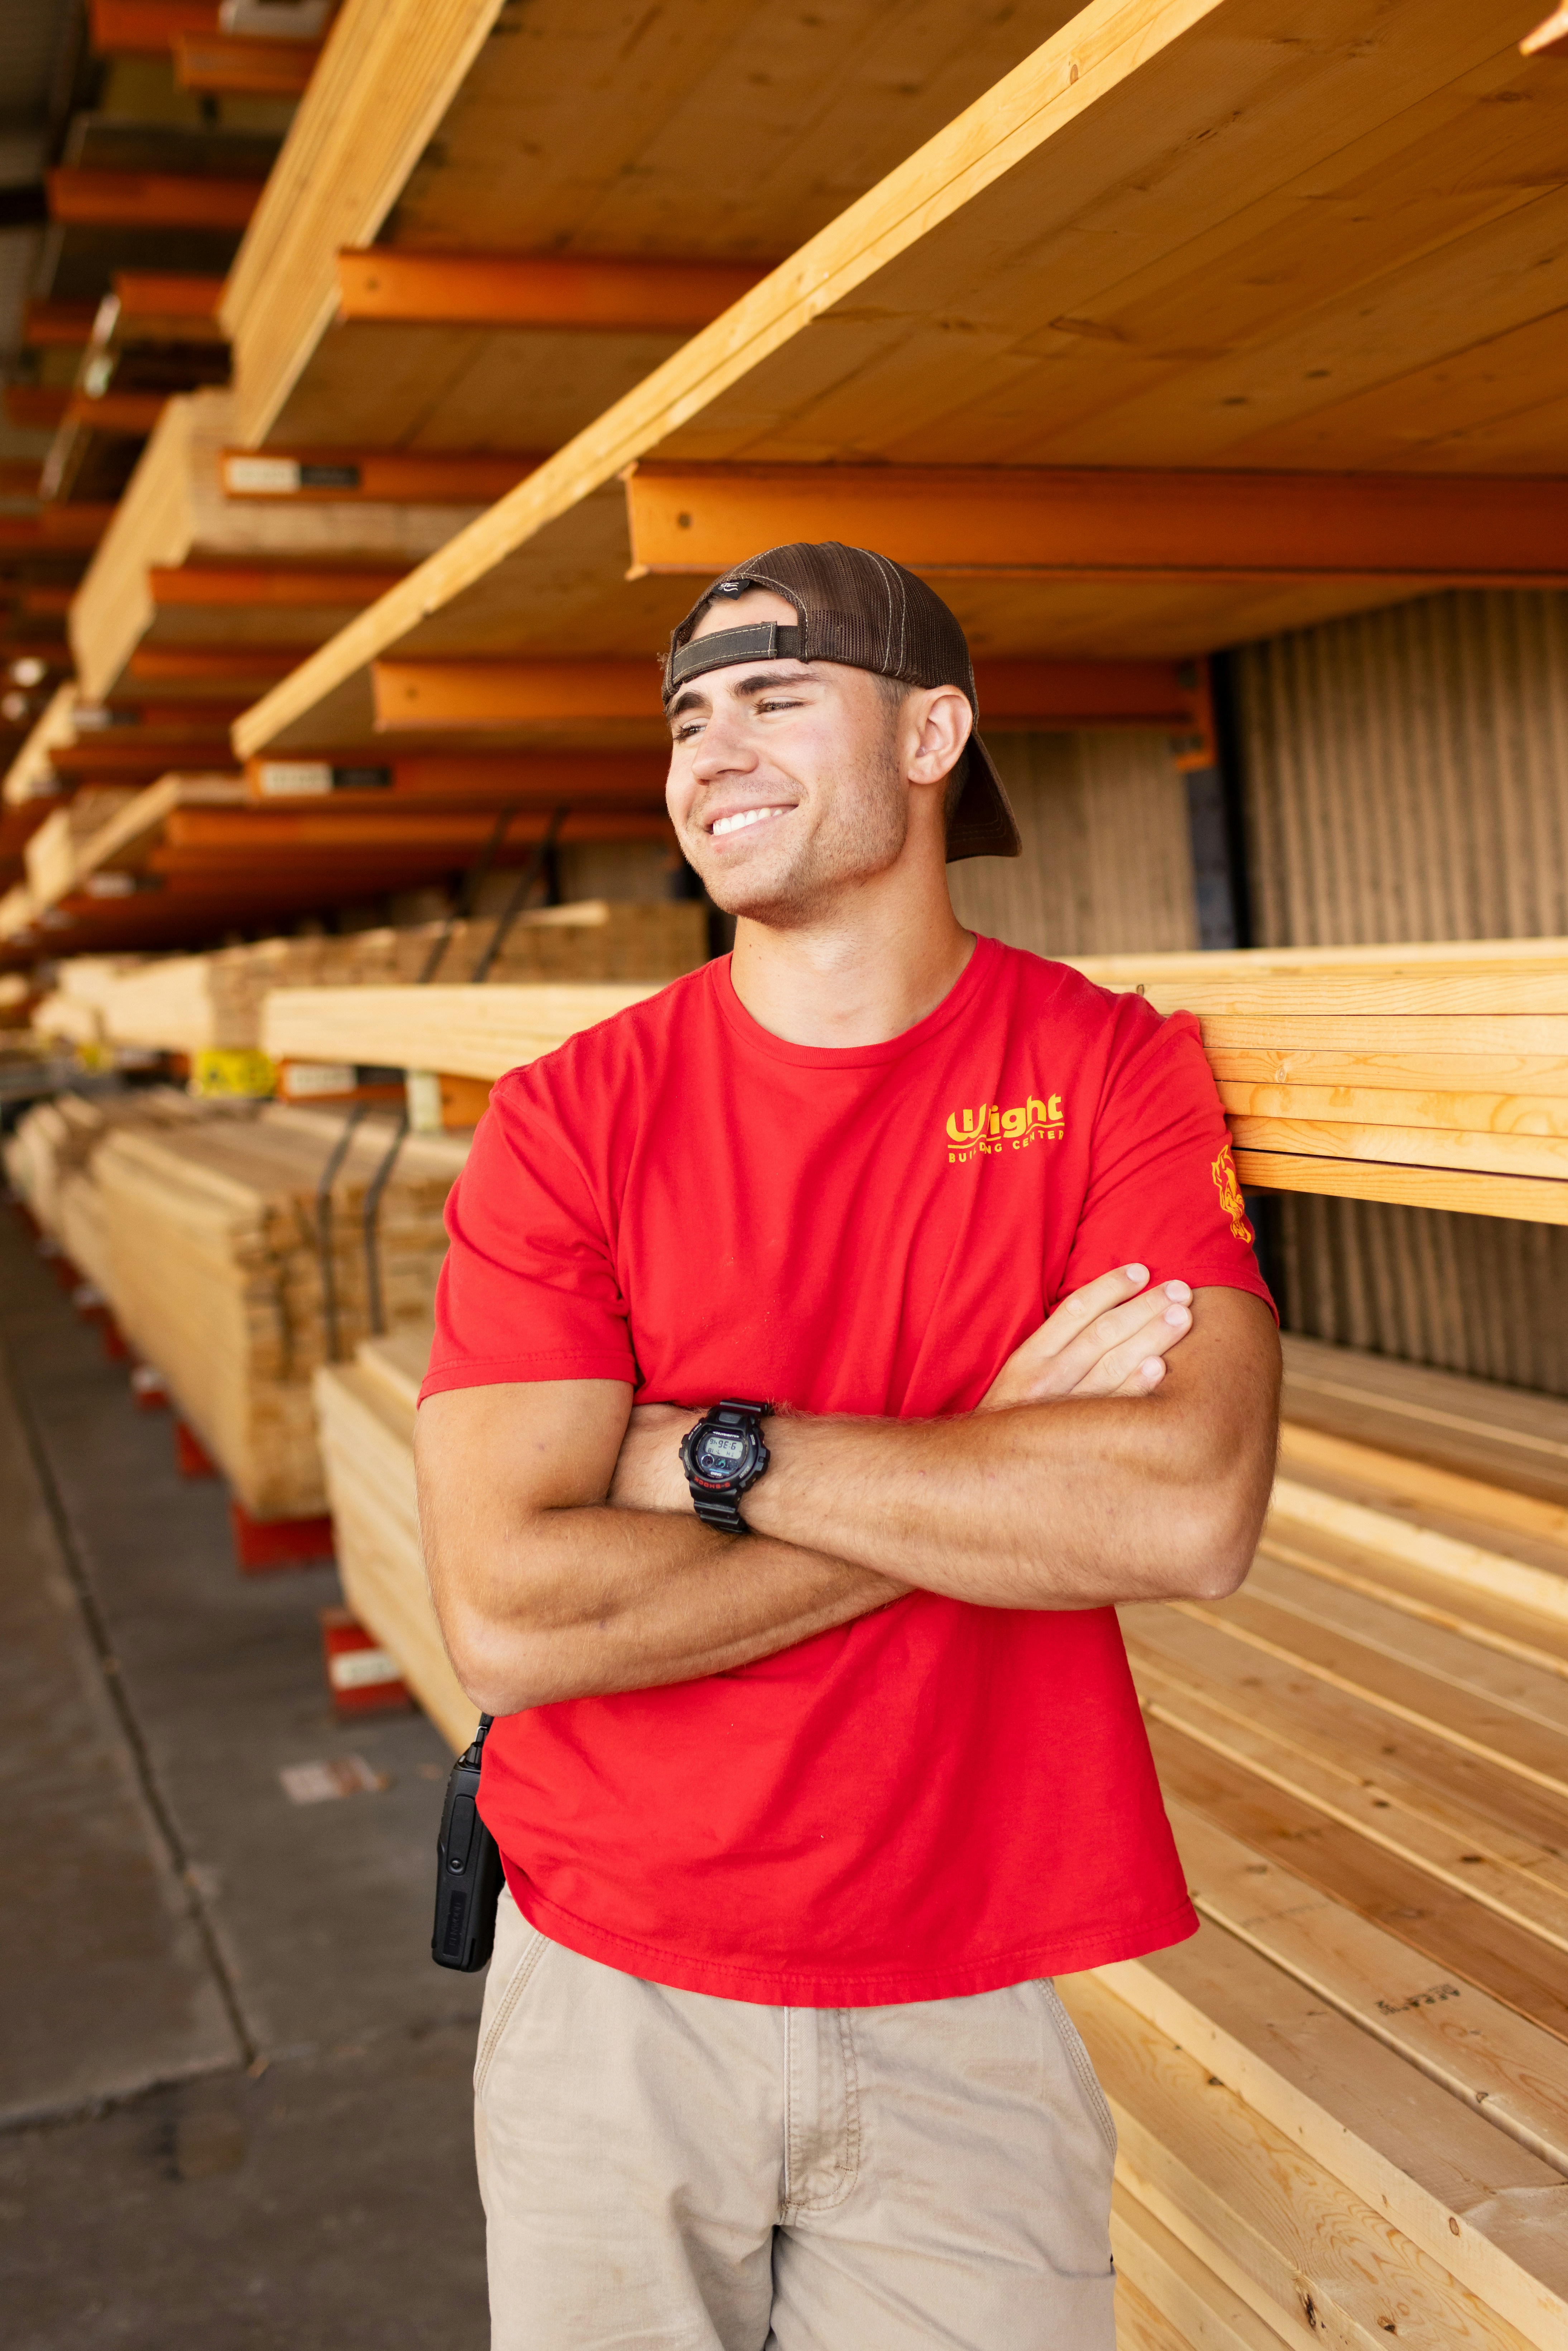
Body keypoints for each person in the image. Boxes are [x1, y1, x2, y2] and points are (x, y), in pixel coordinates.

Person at [415, 541, 1281, 2350]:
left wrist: (713, 1454)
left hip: (969, 1994)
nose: (711, 751)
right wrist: (988, 1461)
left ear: (933, 734)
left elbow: (1188, 1513)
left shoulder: (1112, 1070)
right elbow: (509, 1612)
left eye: (777, 699)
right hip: (611, 1994)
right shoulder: (573, 1120)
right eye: (688, 717)